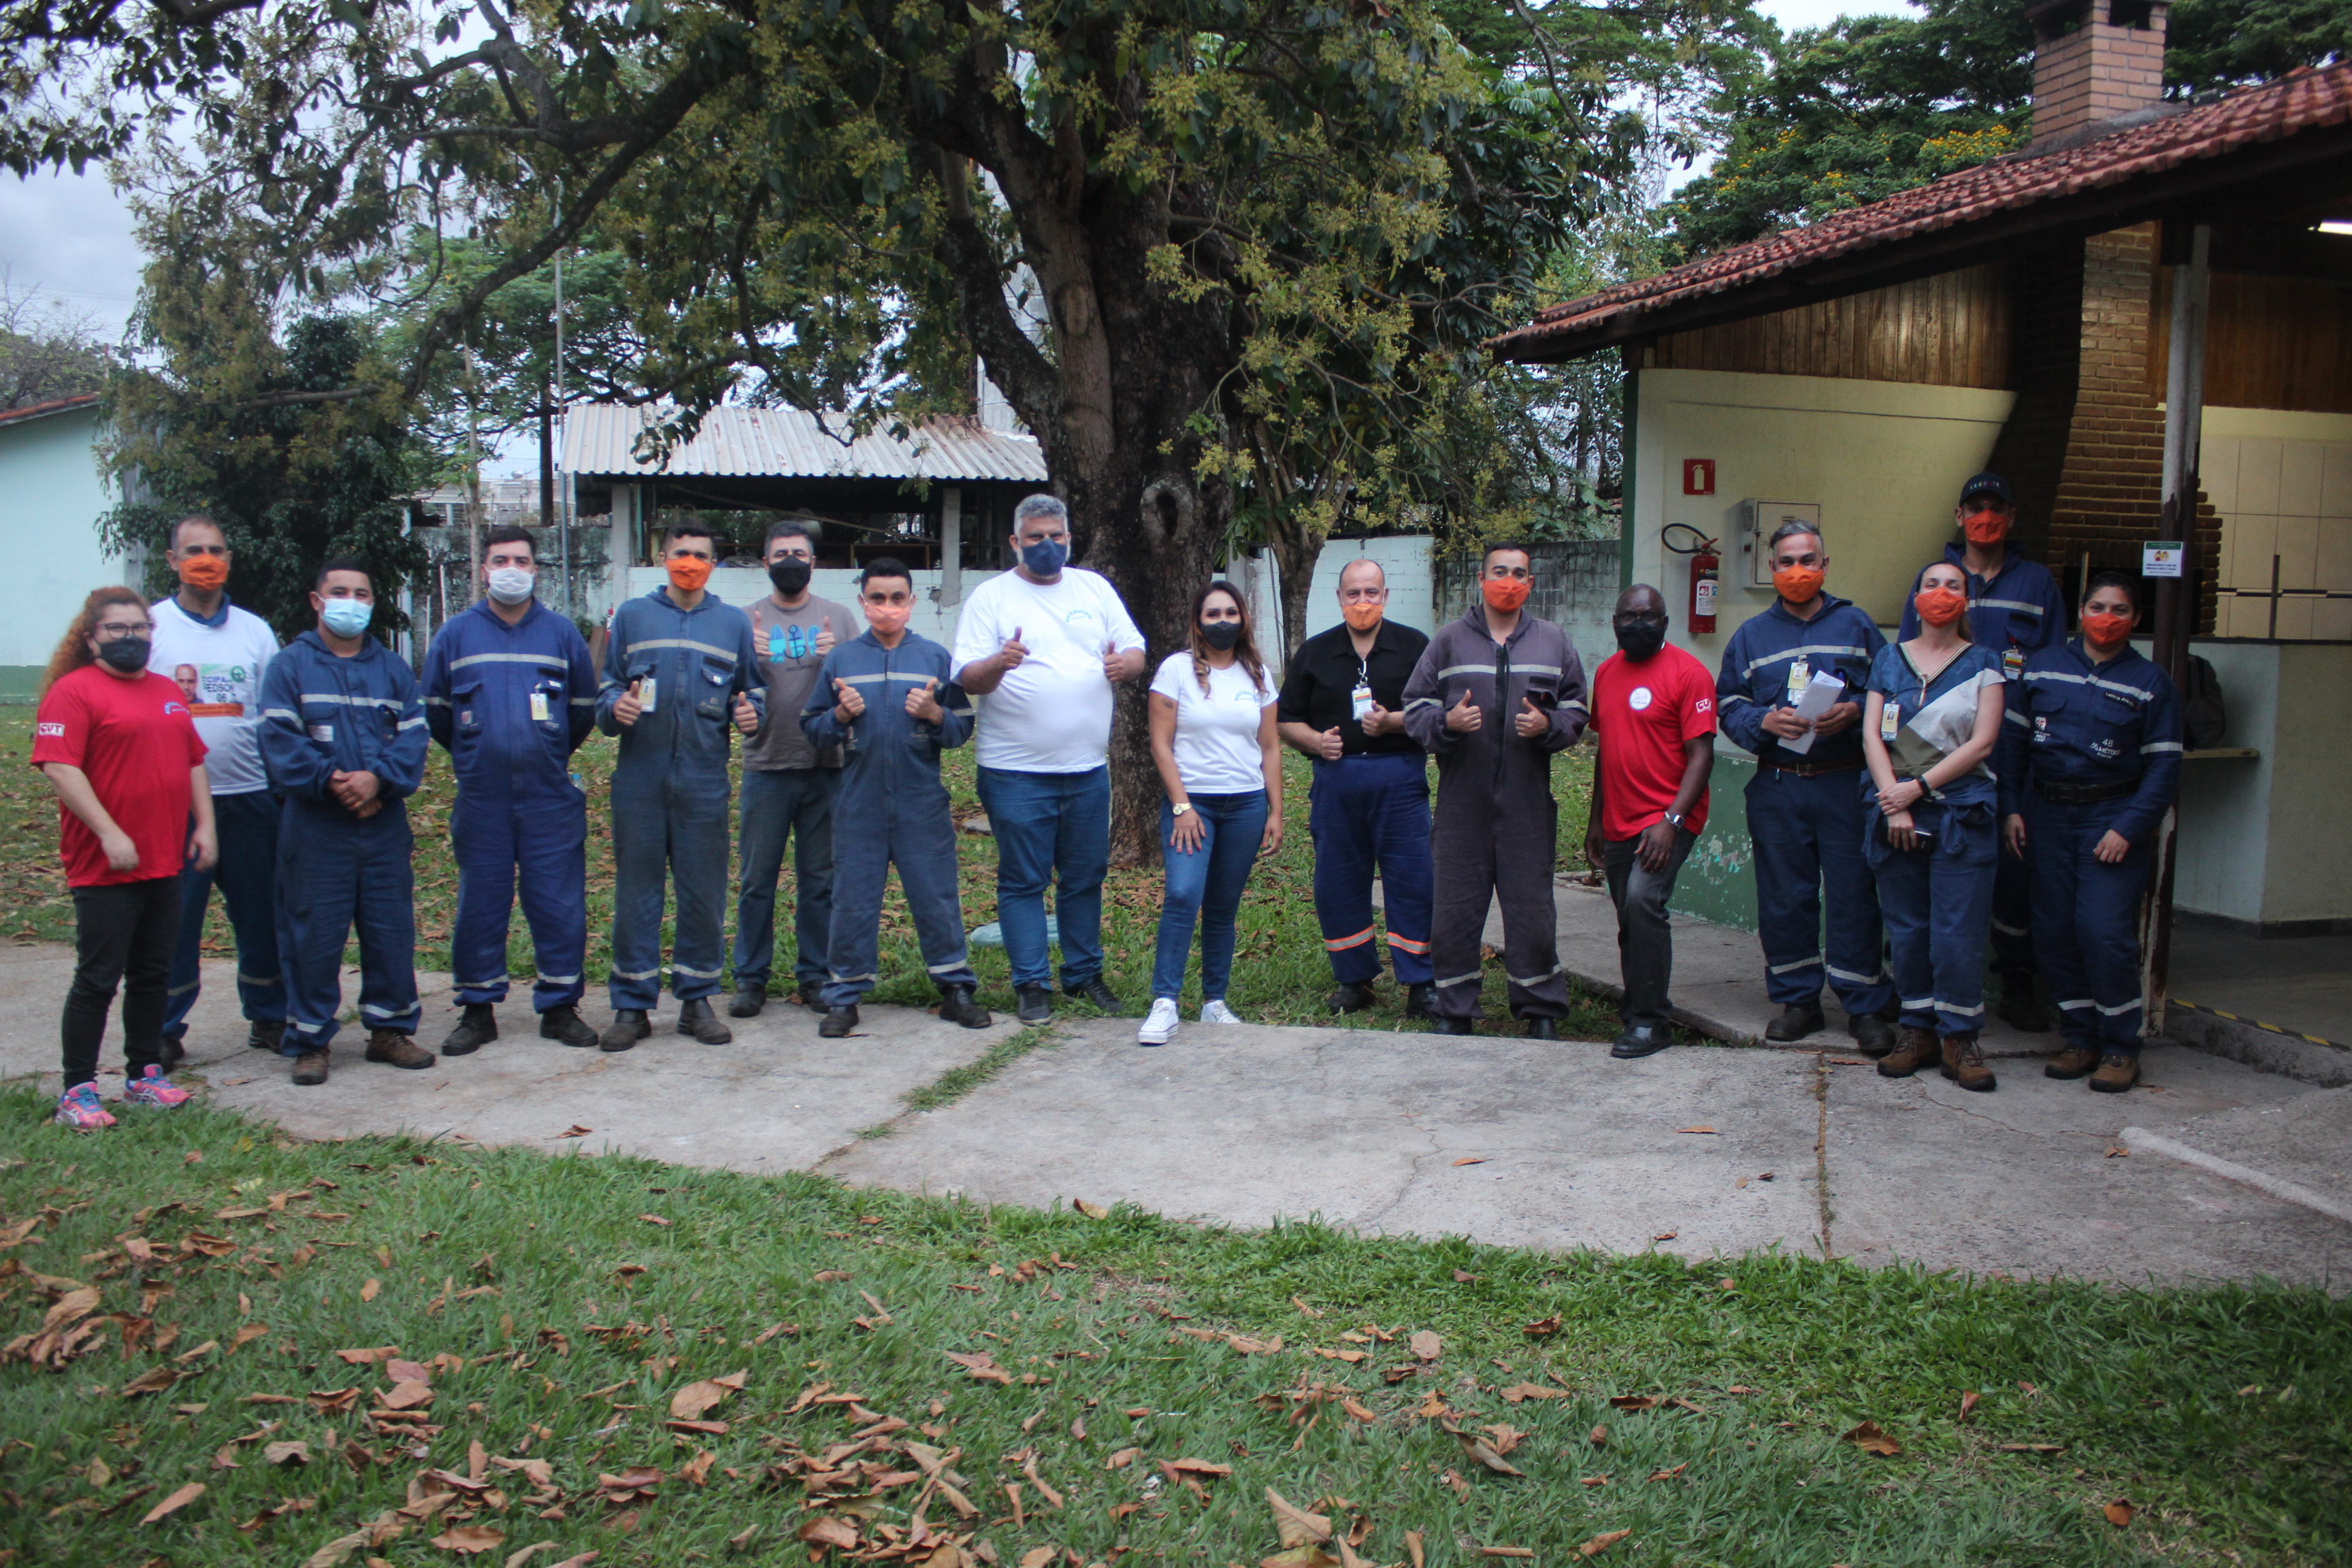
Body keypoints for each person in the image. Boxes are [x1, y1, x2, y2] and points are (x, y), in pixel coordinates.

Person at [953, 494, 1146, 1024]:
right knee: (1023, 879)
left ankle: (1084, 974)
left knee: (1085, 877)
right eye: (1035, 537)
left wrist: (1123, 664)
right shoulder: (991, 598)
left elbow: (1135, 649)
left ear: (1069, 538)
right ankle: (1032, 983)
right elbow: (967, 676)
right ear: (1015, 541)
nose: (1047, 546)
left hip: (1086, 769)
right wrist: (999, 662)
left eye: (1056, 536)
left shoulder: (1094, 588)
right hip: (1015, 771)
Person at [33, 588, 216, 1129]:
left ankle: (144, 1076)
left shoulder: (166, 691)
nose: (129, 637)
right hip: (105, 866)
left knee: (153, 974)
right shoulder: (73, 692)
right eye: (116, 629)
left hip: (164, 859)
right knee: (98, 978)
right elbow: (59, 767)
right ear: (91, 637)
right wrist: (110, 833)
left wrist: (205, 825)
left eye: (138, 628)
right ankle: (78, 1090)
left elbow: (193, 761)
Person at [1713, 522, 1895, 1053]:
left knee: (1854, 896)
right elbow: (1729, 704)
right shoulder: (1750, 637)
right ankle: (1798, 1001)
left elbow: (1890, 693)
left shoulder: (1858, 625)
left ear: (1825, 564)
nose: (1798, 571)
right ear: (1771, 570)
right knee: (1784, 898)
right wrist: (1762, 724)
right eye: (1787, 562)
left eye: (1808, 560)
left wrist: (1856, 710)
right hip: (1779, 785)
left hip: (1843, 784)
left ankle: (1863, 1006)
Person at [421, 524, 603, 1054]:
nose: (511, 570)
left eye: (521, 561)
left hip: (549, 795)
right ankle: (477, 1011)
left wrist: (544, 753)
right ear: (483, 569)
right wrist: (479, 755)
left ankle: (560, 1007)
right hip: (483, 796)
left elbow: (582, 710)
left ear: (535, 571)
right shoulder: (455, 635)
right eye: (501, 560)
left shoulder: (561, 634)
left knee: (558, 903)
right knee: (481, 902)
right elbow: (437, 713)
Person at [2000, 572, 2182, 1094]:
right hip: (2046, 816)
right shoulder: (2043, 667)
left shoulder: (2151, 683)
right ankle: (2080, 1038)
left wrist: (2129, 828)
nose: (2108, 618)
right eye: (2098, 607)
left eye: (2120, 610)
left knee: (2103, 934)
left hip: (2111, 819)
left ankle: (2122, 1046)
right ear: (2081, 613)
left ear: (2136, 619)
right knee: (2054, 933)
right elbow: (2012, 748)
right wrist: (2011, 809)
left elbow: (2165, 769)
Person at [1898, 472, 2067, 1032]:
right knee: (1932, 869)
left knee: (2015, 866)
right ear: (1959, 514)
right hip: (1936, 750)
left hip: (2012, 743)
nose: (1986, 517)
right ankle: (1924, 997)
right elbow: (1905, 664)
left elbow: (2055, 668)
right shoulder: (1933, 580)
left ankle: (2017, 981)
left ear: (2012, 517)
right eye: (1976, 507)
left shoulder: (2038, 584)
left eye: (1997, 507)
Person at [1401, 544, 1589, 1037]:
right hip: (1463, 798)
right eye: (1500, 572)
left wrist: (1549, 725)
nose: (1509, 581)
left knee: (1531, 908)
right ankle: (1454, 1007)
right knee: (1456, 908)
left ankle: (1540, 1007)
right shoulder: (1448, 642)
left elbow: (1577, 711)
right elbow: (1415, 706)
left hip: (1527, 800)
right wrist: (1448, 722)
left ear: (1532, 582)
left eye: (1519, 574)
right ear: (1480, 578)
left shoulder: (1553, 642)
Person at [257, 559, 432, 1084]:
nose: (350, 602)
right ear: (317, 601)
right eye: (339, 591)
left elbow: (414, 737)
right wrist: (337, 782)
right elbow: (279, 743)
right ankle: (310, 1039)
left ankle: (390, 1030)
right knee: (313, 933)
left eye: (361, 593)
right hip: (315, 827)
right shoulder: (289, 667)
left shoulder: (393, 670)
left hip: (382, 826)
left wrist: (378, 781)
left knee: (390, 931)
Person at [802, 558, 992, 1038]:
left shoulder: (934, 658)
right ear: (863, 603)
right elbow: (813, 729)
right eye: (877, 599)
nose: (888, 608)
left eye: (897, 598)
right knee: (853, 901)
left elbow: (961, 730)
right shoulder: (842, 660)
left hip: (920, 800)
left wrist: (933, 714)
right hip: (857, 801)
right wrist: (839, 718)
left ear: (911, 603)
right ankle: (844, 997)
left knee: (936, 896)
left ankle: (955, 990)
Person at [597, 521, 764, 1051]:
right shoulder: (632, 616)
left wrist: (751, 712)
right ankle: (631, 1007)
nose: (689, 561)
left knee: (702, 894)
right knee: (637, 895)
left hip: (703, 782)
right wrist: (613, 708)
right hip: (639, 781)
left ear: (713, 564)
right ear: (662, 557)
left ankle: (696, 1001)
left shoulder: (732, 624)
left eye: (700, 554)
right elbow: (603, 689)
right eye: (680, 553)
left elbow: (753, 689)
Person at [144, 514, 286, 1063]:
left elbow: (275, 714)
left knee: (262, 916)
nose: (206, 559)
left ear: (230, 558)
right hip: (172, 805)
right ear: (171, 559)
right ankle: (162, 1026)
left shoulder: (254, 631)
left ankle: (270, 1017)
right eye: (194, 550)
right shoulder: (151, 628)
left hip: (250, 797)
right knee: (173, 920)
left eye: (216, 550)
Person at [1863, 559, 2008, 1091]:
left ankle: (1960, 1038)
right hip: (1896, 814)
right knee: (1907, 930)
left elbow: (1984, 742)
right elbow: (1872, 737)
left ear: (1965, 601)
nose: (1941, 592)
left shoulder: (1985, 663)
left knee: (1958, 935)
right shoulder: (1888, 659)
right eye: (1931, 584)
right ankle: (1917, 1030)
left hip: (1961, 814)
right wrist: (1894, 803)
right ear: (1916, 596)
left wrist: (1919, 789)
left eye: (1953, 585)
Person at [1275, 559, 1433, 1015]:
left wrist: (1393, 723)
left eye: (1371, 593)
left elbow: (1433, 711)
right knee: (1338, 881)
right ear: (1340, 599)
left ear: (1385, 596)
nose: (1362, 602)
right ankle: (1355, 979)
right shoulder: (1316, 653)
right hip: (1337, 780)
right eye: (1353, 594)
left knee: (1413, 878)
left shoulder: (1414, 647)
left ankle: (1420, 982)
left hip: (1399, 776)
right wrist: (1315, 741)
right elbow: (1287, 719)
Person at [1139, 583, 1284, 1046]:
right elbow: (1160, 742)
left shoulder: (1257, 673)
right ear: (1197, 622)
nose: (1222, 622)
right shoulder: (1175, 670)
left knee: (1222, 906)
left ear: (1242, 618)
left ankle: (1214, 1002)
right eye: (1212, 614)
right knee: (1183, 893)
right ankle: (1165, 1002)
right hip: (1193, 803)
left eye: (1230, 613)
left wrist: (1275, 810)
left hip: (1244, 805)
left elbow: (1270, 745)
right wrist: (1181, 805)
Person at [1582, 585, 1716, 1060]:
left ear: (1665, 622)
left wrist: (1672, 820)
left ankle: (1651, 1021)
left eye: (1650, 616)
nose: (1638, 624)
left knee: (1643, 901)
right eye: (1629, 616)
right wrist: (1595, 819)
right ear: (1614, 620)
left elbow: (1702, 754)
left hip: (1668, 818)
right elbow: (1607, 750)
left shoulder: (1689, 673)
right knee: (1627, 915)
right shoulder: (1606, 672)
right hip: (1618, 816)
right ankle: (1637, 1004)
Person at [730, 520, 851, 1017]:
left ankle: (815, 976)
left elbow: (856, 685)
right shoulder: (743, 621)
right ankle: (750, 979)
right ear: (765, 562)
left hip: (826, 767)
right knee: (757, 880)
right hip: (766, 764)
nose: (791, 561)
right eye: (781, 553)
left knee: (819, 880)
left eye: (799, 553)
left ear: (814, 562)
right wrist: (751, 663)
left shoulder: (840, 619)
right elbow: (728, 694)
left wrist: (833, 660)